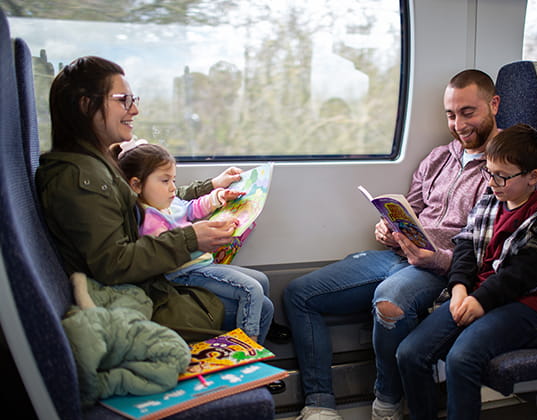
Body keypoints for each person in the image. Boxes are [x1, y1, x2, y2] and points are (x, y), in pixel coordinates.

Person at [282, 69, 501, 420]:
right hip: (400, 254)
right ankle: (320, 404)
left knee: (390, 304)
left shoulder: (502, 167)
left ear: (493, 105)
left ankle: (387, 402)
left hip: (441, 267)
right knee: (299, 294)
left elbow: (485, 248)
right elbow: (410, 207)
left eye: (468, 113)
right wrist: (388, 228)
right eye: (450, 114)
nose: (458, 124)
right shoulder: (438, 158)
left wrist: (435, 259)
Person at [35, 56, 285, 345]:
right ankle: (248, 367)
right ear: (86, 105)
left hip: (152, 285)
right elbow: (113, 263)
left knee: (260, 290)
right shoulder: (81, 179)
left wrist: (211, 188)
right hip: (145, 299)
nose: (135, 109)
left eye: (133, 99)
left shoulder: (101, 162)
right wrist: (190, 239)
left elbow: (162, 197)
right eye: (123, 100)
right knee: (261, 304)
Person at [396, 123, 537, 420]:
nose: (493, 182)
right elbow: (466, 246)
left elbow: (526, 273)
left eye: (502, 176)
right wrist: (459, 288)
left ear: (532, 177)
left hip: (528, 301)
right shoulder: (489, 202)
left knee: (462, 358)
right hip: (478, 293)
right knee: (410, 354)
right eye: (489, 172)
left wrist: (479, 301)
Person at [111, 139, 274, 343]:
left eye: (173, 180)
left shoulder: (169, 202)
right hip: (185, 271)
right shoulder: (150, 220)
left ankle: (259, 322)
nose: (173, 188)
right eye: (165, 181)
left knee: (262, 280)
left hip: (201, 263)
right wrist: (210, 238)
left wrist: (219, 196)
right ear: (136, 185)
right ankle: (250, 345)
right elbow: (172, 251)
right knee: (252, 289)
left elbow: (191, 207)